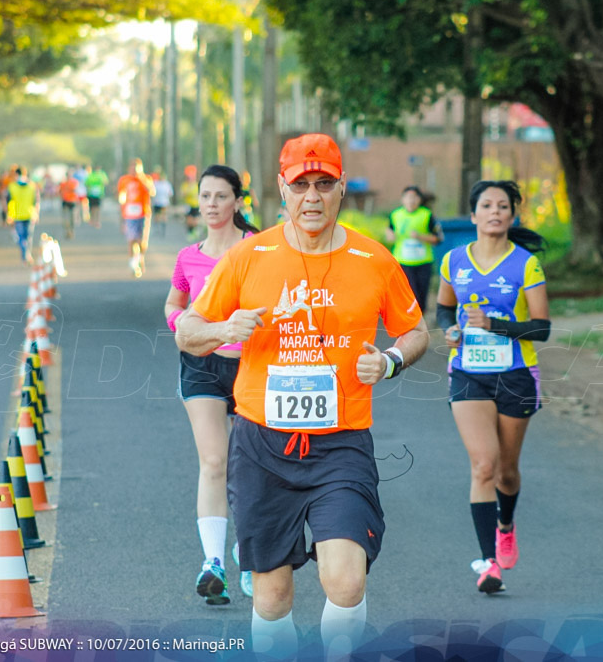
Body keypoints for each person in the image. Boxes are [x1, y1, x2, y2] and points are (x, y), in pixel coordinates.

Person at [176, 133, 430, 660]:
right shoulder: (249, 257)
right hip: (262, 446)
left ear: (341, 189)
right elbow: (187, 330)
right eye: (300, 185)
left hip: (341, 445)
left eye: (323, 184)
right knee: (271, 597)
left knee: (346, 581)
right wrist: (226, 327)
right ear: (281, 190)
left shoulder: (374, 259)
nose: (311, 197)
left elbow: (416, 332)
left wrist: (389, 361)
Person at [435, 179, 550, 595]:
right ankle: (488, 564)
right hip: (467, 372)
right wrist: (449, 332)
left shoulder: (526, 265)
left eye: (503, 206)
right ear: (473, 215)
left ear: (512, 216)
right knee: (483, 465)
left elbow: (542, 328)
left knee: (506, 471)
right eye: (487, 205)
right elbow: (444, 309)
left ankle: (506, 524)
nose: (495, 212)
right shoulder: (454, 261)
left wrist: (496, 326)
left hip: (516, 374)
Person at [164, 165, 259, 606]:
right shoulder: (189, 256)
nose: (212, 205)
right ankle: (213, 562)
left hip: (252, 368)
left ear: (238, 201)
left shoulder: (257, 249)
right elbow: (175, 303)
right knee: (214, 461)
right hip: (201, 364)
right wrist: (179, 322)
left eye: (222, 196)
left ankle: (250, 552)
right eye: (205, 196)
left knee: (250, 465)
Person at [386, 186, 443, 314]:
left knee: (422, 296)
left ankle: (420, 319)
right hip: (403, 262)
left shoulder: (426, 215)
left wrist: (420, 236)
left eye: (414, 197)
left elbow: (438, 238)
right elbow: (389, 230)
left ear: (419, 200)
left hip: (423, 261)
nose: (411, 201)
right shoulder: (396, 215)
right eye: (408, 197)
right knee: (410, 294)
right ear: (402, 199)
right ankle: (410, 321)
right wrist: (390, 235)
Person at [117, 159, 155, 278]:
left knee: (142, 241)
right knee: (131, 240)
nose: (134, 170)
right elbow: (121, 195)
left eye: (137, 168)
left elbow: (152, 192)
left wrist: (141, 178)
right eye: (132, 168)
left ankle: (140, 258)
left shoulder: (146, 179)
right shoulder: (124, 180)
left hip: (143, 213)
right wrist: (121, 214)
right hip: (129, 214)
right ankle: (133, 264)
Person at [6, 167, 40, 264]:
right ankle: (26, 254)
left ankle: (25, 255)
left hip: (18, 215)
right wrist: (36, 213)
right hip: (29, 214)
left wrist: (9, 215)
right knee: (28, 236)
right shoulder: (32, 186)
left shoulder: (12, 186)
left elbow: (9, 202)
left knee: (21, 237)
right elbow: (36, 201)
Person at [151, 169, 173, 238]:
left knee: (163, 216)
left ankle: (163, 229)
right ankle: (157, 228)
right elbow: (152, 192)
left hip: (164, 203)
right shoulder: (156, 183)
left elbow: (170, 193)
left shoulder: (167, 184)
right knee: (157, 216)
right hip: (157, 202)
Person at [58, 171, 80, 240]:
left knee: (72, 218)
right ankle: (68, 232)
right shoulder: (63, 183)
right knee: (66, 218)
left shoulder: (74, 183)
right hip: (65, 202)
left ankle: (71, 231)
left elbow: (76, 192)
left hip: (72, 202)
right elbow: (60, 192)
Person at [181, 165, 200, 241]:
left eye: (191, 177)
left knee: (195, 220)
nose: (190, 178)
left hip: (195, 204)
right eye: (189, 177)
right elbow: (183, 194)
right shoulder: (185, 185)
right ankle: (190, 232)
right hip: (188, 205)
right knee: (189, 220)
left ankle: (194, 231)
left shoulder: (196, 185)